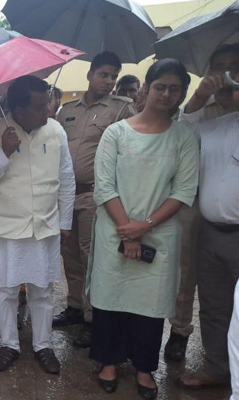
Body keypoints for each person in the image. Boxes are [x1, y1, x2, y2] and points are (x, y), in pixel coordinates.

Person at [88, 59, 198, 399]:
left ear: (182, 93)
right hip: (114, 231)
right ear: (146, 89)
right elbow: (104, 186)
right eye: (160, 87)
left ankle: (144, 367)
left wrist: (144, 227)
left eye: (174, 89)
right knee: (111, 296)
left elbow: (183, 190)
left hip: (159, 234)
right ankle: (108, 361)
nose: (166, 94)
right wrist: (128, 229)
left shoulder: (184, 138)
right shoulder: (116, 133)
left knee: (149, 304)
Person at [0, 76, 75, 374]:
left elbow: (66, 178)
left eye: (47, 103)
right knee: (5, 291)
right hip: (4, 230)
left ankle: (43, 345)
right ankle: (9, 344)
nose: (47, 110)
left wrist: (65, 222)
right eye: (40, 106)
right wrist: (3, 153)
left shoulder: (56, 130)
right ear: (18, 109)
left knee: (42, 290)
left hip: (44, 228)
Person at [55, 51, 136, 348]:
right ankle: (74, 306)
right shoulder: (67, 110)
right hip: (66, 194)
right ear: (89, 75)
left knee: (91, 256)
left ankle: (92, 317)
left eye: (113, 76)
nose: (109, 81)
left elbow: (130, 152)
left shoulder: (122, 109)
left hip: (96, 193)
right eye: (103, 75)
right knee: (69, 253)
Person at [169, 44, 239, 366]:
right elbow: (180, 134)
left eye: (233, 66)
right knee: (205, 293)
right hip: (201, 210)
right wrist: (199, 97)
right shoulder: (204, 116)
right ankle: (211, 361)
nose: (226, 74)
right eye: (219, 66)